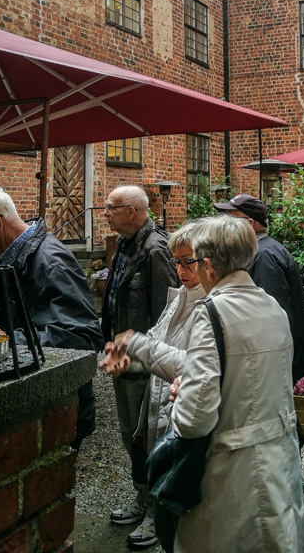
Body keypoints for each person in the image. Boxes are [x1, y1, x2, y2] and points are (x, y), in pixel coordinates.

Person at [169, 214, 304, 553]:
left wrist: (181, 397)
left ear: (207, 266)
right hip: (280, 464)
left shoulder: (211, 313)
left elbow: (193, 420)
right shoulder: (272, 307)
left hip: (232, 475)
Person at [0, 184, 103, 448]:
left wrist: (6, 341)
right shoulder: (0, 260)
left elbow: (83, 337)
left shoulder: (51, 262)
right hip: (30, 411)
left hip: (56, 413)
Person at [100, 222, 206, 551]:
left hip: (181, 408)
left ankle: (159, 515)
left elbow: (194, 365)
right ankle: (147, 502)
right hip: (157, 400)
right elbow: (159, 344)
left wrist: (138, 347)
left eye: (188, 262)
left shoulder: (211, 307)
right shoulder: (179, 298)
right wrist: (131, 362)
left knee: (172, 468)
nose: (180, 270)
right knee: (147, 452)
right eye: (177, 262)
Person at [100, 185, 178, 546]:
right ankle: (142, 497)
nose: (105, 213)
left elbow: (164, 315)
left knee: (146, 438)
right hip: (124, 357)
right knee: (130, 433)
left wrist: (144, 359)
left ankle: (155, 512)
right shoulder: (126, 244)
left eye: (111, 207)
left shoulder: (155, 250)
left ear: (132, 211)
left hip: (144, 364)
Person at [213, 193, 304, 386]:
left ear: (249, 224)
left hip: (275, 361)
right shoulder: (261, 250)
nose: (224, 226)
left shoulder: (263, 256)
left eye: (230, 220)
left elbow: (272, 317)